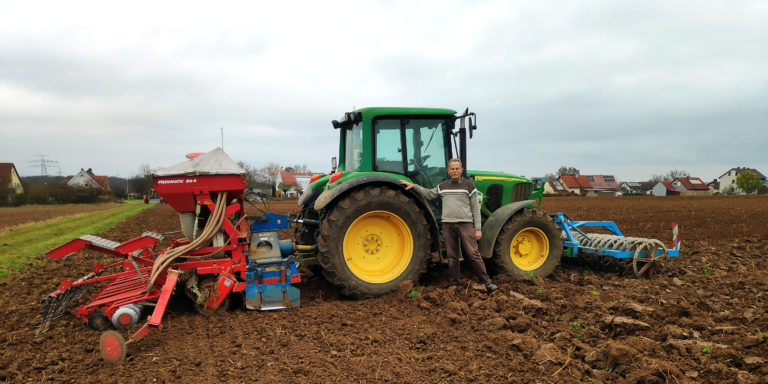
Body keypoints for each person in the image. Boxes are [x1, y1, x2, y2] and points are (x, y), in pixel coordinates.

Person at [401, 158, 498, 294]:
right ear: (448, 171)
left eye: (457, 169)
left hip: (465, 224)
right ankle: (455, 284)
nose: (454, 171)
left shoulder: (469, 186)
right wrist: (414, 186)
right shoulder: (443, 186)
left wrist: (478, 229)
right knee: (452, 256)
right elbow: (429, 194)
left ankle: (487, 282)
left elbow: (476, 209)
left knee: (473, 253)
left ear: (461, 170)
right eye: (452, 169)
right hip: (448, 225)